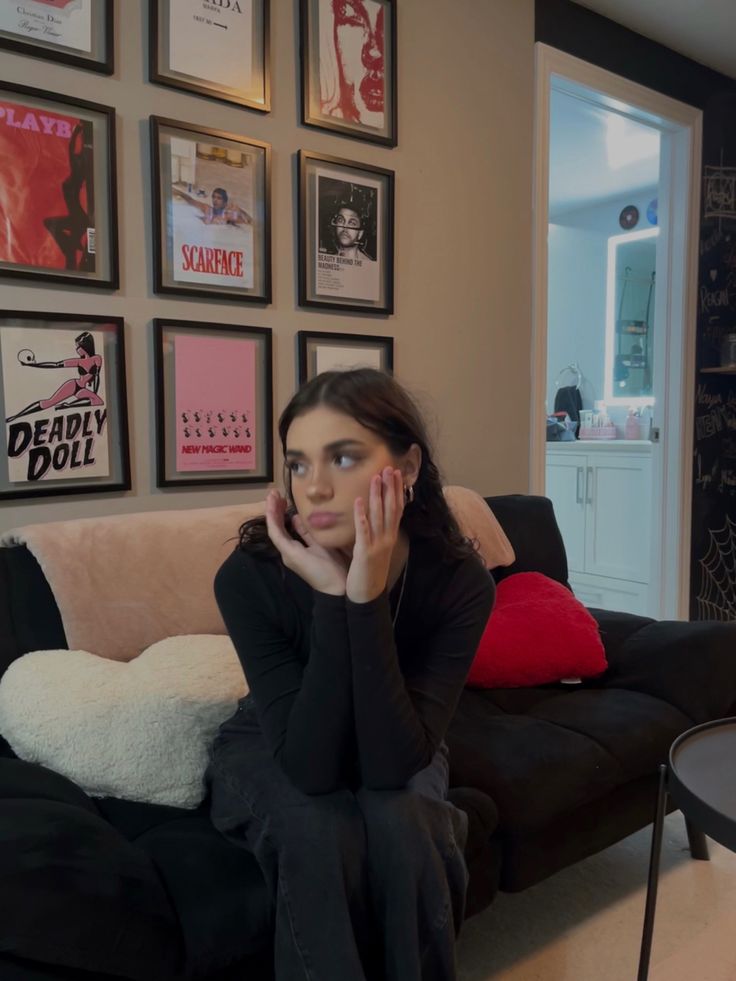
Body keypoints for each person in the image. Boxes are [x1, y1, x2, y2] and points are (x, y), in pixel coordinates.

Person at [206, 368, 495, 980]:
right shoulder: (248, 577)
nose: (314, 488)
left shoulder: (457, 580)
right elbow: (311, 771)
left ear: (408, 467)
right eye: (299, 464)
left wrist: (362, 599)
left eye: (343, 457)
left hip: (403, 725)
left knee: (406, 820)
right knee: (317, 827)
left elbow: (394, 765)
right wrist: (335, 597)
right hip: (275, 732)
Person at [5, 331, 103, 424]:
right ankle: (16, 416)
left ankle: (68, 405)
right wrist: (32, 365)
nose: (76, 350)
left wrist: (95, 392)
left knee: (98, 400)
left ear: (85, 346)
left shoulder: (97, 359)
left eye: (78, 347)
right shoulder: (78, 361)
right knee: (49, 402)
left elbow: (97, 377)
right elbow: (55, 365)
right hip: (74, 384)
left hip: (83, 390)